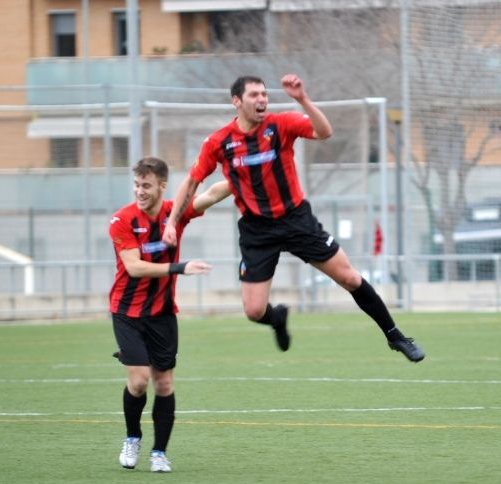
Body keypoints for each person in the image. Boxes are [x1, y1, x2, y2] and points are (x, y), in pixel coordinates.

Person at [163, 74, 424, 363]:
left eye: (264, 94)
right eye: (253, 95)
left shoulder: (281, 124)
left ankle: (395, 335)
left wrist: (302, 99)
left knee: (349, 277)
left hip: (296, 219)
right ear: (236, 101)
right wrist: (172, 222)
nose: (261, 99)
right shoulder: (219, 142)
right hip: (257, 230)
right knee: (254, 311)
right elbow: (192, 182)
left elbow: (324, 132)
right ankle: (278, 319)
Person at [109, 156, 230, 473]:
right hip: (127, 313)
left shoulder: (173, 215)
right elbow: (134, 268)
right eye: (136, 185)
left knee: (163, 384)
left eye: (146, 185)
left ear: (163, 186)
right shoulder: (122, 221)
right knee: (139, 381)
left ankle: (159, 452)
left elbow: (212, 194)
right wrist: (180, 268)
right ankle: (132, 437)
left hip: (162, 313)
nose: (140, 191)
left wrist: (244, 176)